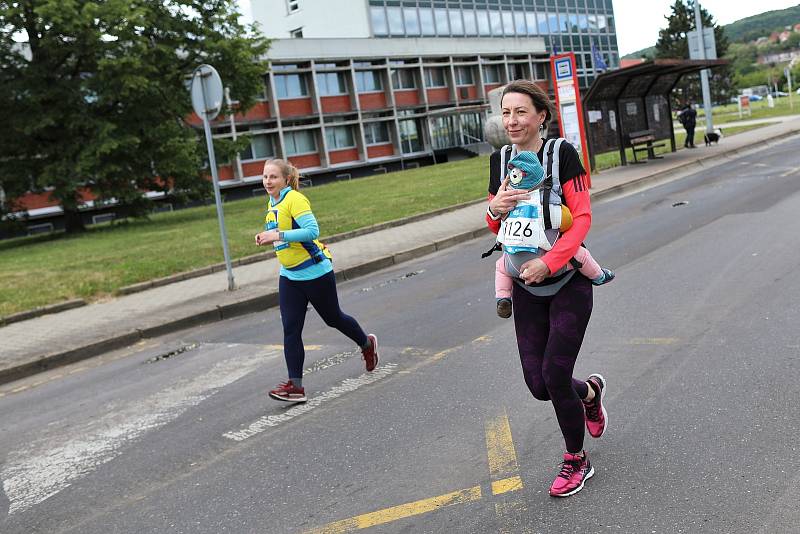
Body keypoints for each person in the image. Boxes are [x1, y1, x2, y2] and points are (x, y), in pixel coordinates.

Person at [485, 80, 608, 497]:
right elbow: (497, 225)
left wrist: (550, 261)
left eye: (520, 111)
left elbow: (584, 217)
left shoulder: (561, 154)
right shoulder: (500, 160)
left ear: (541, 115)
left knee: (555, 374)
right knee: (539, 385)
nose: (512, 120)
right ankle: (589, 394)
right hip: (524, 286)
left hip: (568, 280)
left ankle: (576, 459)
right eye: (506, 112)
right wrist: (492, 210)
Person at [255, 159, 379, 403]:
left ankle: (367, 344)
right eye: (265, 177)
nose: (268, 181)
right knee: (291, 329)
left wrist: (277, 235)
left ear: (285, 179)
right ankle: (295, 387)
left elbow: (312, 232)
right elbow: (284, 237)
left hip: (315, 273)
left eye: (273, 177)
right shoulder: (273, 202)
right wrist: (267, 237)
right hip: (289, 275)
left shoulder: (295, 199)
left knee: (333, 318)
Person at [493, 151, 614, 318]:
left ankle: (502, 296)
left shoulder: (506, 204)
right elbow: (568, 222)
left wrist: (493, 208)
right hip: (548, 262)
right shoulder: (547, 205)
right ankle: (599, 275)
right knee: (581, 254)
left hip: (514, 266)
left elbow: (495, 225)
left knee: (500, 267)